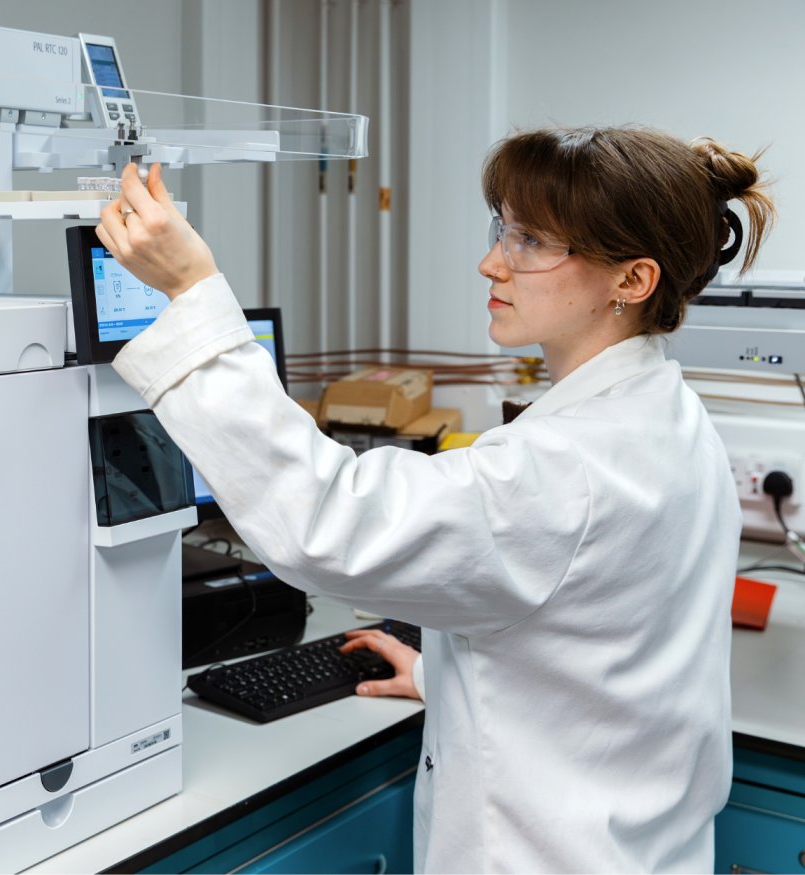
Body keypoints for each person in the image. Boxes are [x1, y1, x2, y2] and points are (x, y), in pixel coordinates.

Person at [95, 126, 775, 872]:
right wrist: (441, 674)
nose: (493, 261)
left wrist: (193, 296)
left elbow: (327, 520)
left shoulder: (565, 467)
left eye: (534, 241)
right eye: (503, 229)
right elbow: (603, 650)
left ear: (632, 280)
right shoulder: (668, 415)